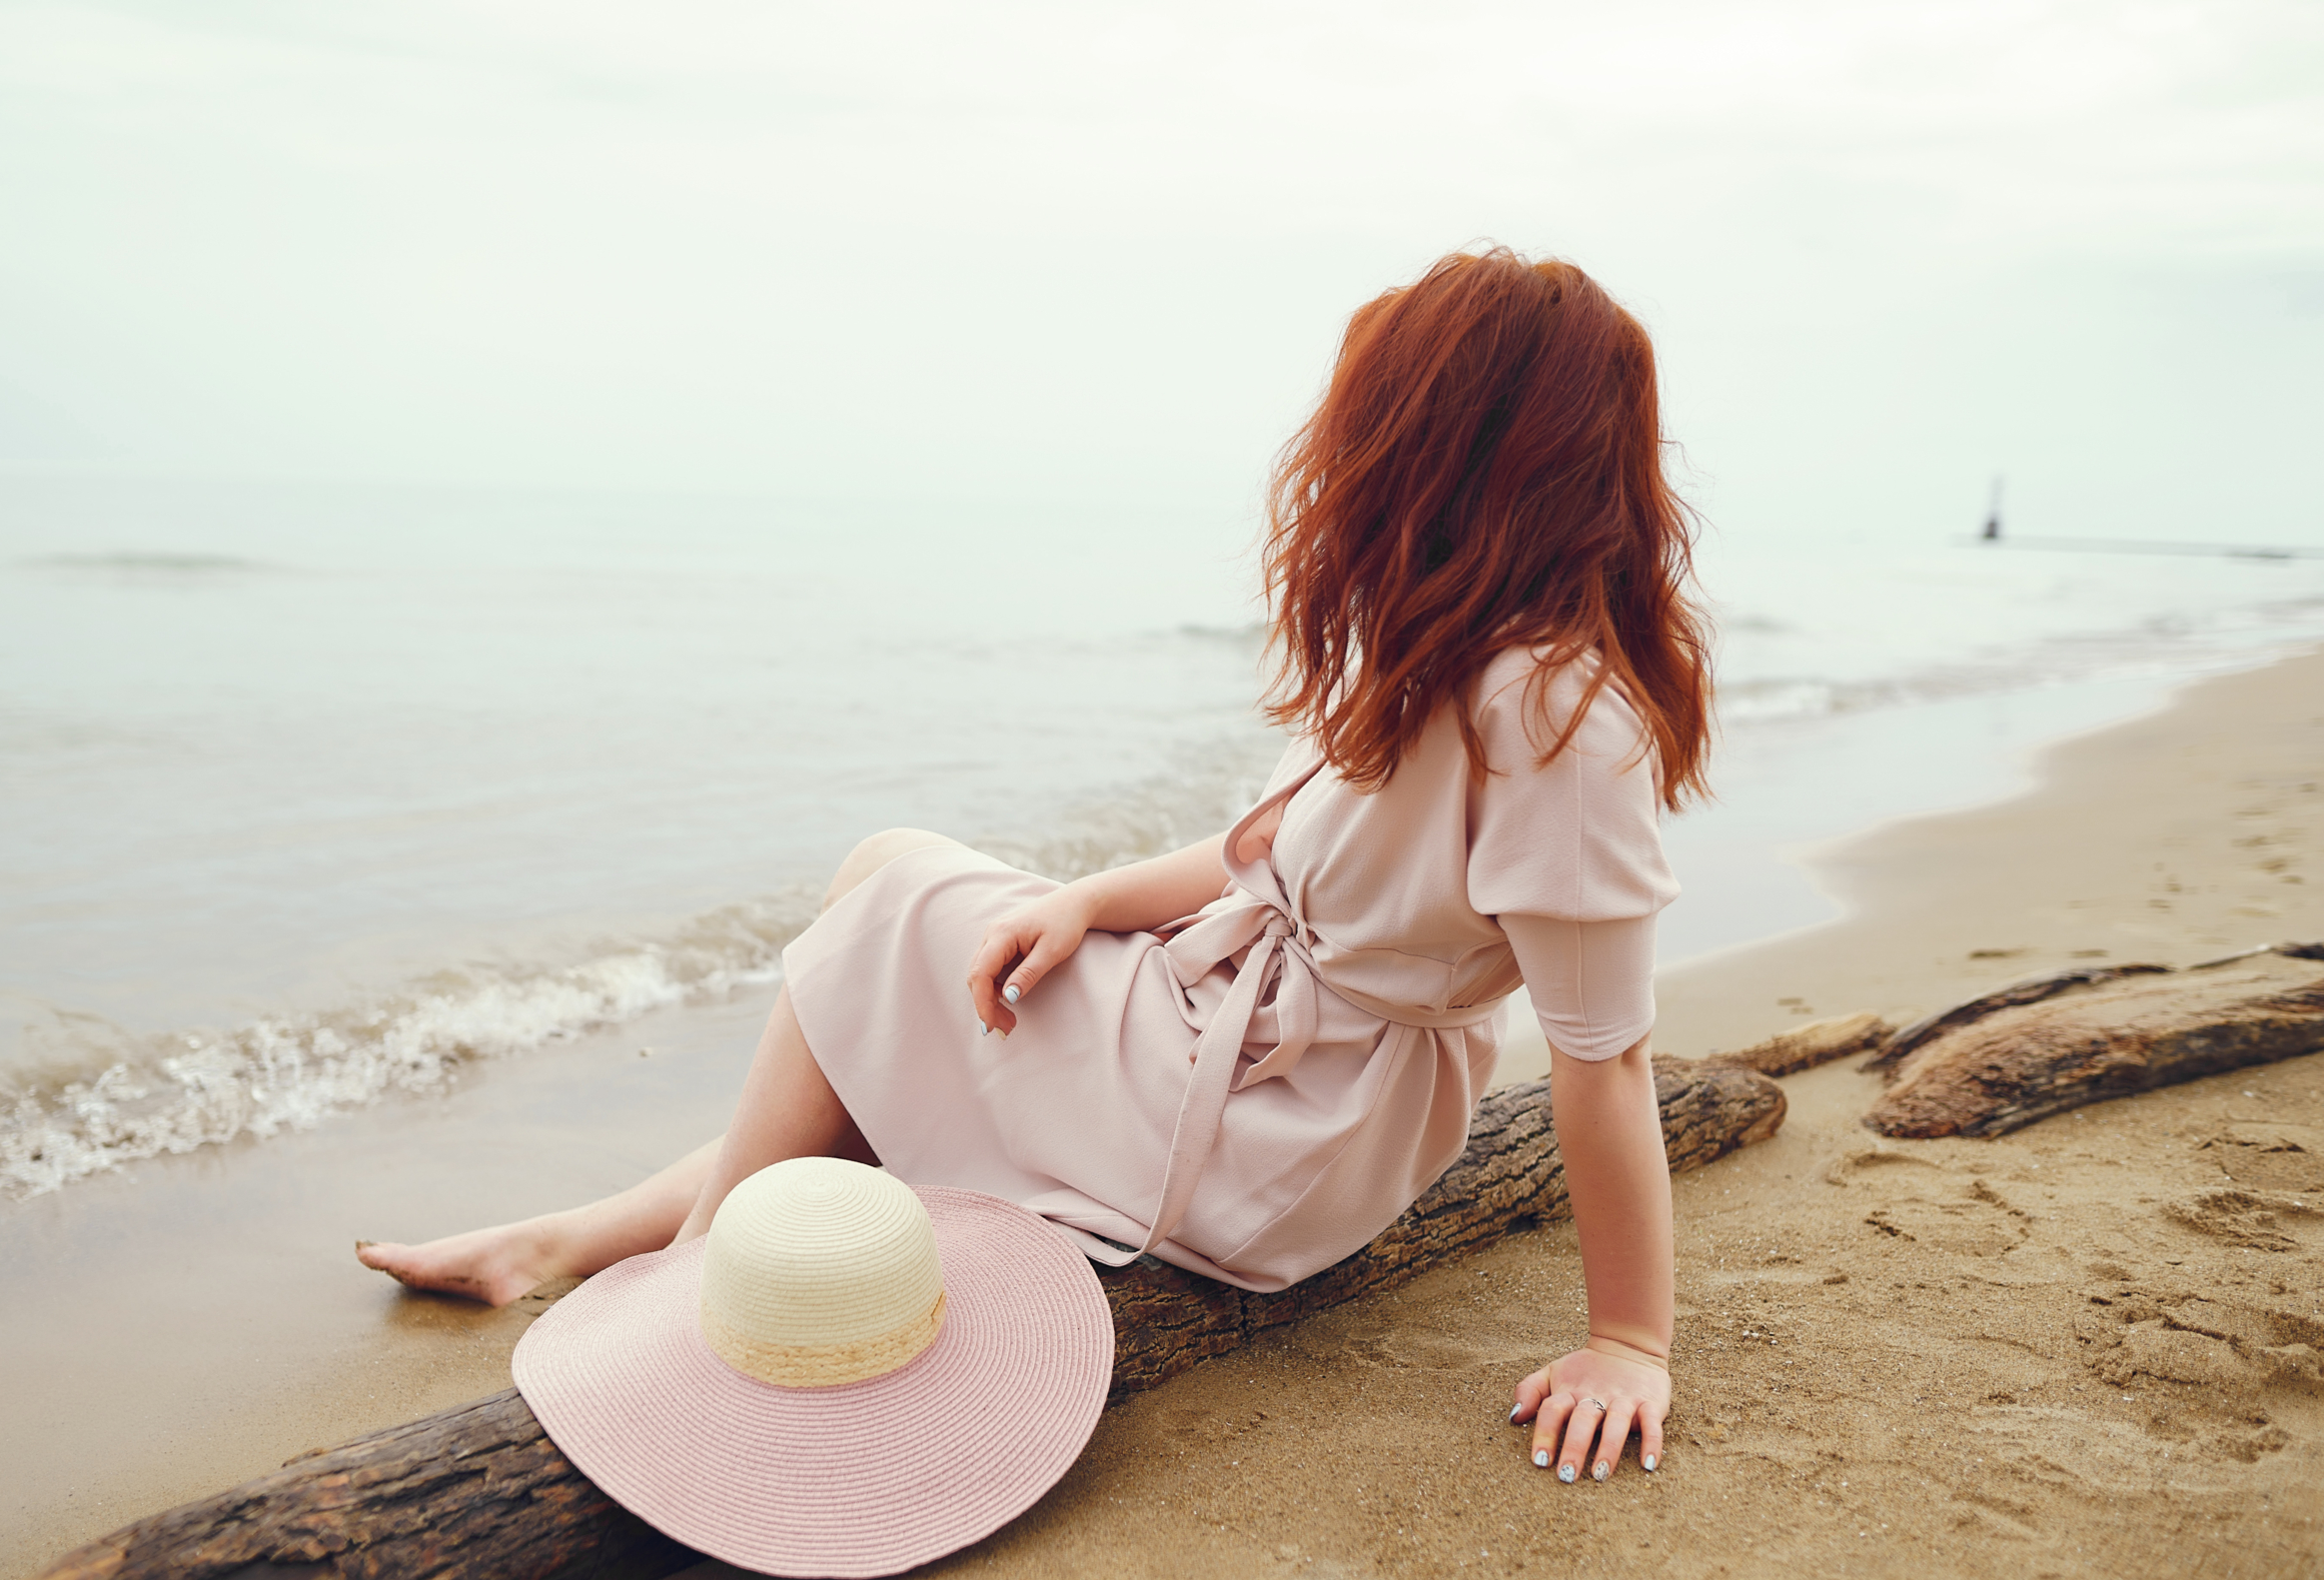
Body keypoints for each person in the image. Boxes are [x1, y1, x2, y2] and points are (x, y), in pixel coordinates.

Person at [360, 246, 1712, 1488]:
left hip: (1285, 1126)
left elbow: (1607, 1058)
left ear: (1455, 447)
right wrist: (1083, 903)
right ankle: (581, 1241)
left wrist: (1632, 1340)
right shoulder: (1461, 653)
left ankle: (693, 1288)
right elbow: (1264, 860)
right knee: (913, 944)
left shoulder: (1559, 722)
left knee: (893, 901)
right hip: (1249, 1054)